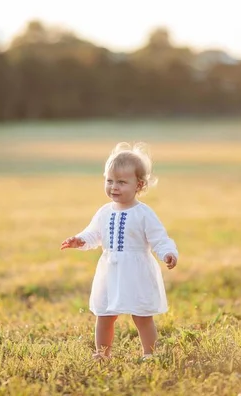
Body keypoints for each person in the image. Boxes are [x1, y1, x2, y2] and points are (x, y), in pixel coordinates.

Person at [61, 142, 179, 360]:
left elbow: (159, 239)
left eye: (121, 182)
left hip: (136, 272)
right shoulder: (104, 212)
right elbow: (94, 234)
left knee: (142, 316)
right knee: (105, 315)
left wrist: (168, 254)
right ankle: (102, 353)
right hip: (110, 272)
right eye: (109, 181)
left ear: (139, 185)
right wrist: (80, 240)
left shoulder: (143, 213)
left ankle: (149, 354)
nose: (113, 187)